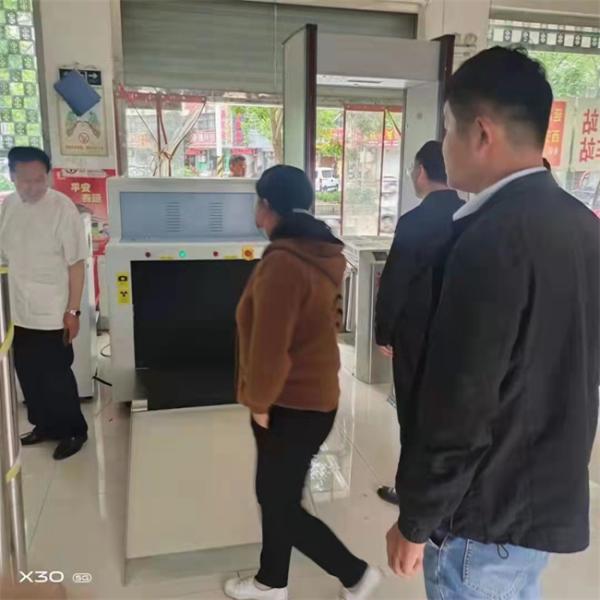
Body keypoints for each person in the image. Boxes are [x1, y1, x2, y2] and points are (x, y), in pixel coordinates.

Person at [386, 46, 599, 599]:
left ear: (481, 133)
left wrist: (416, 518)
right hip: (539, 503)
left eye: (448, 129)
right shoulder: (582, 226)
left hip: (482, 518)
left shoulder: (490, 240)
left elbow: (462, 404)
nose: (443, 146)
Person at [225, 165, 381, 600]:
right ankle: (271, 581)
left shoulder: (283, 264)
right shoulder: (318, 253)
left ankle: (355, 574)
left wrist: (260, 403)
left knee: (276, 501)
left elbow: (270, 345)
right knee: (280, 495)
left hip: (289, 403)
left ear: (267, 206)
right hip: (316, 398)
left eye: (256, 202)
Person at [375, 141, 463, 506]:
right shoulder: (470, 216)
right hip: (460, 332)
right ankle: (447, 487)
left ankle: (410, 490)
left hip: (416, 334)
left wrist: (384, 331)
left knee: (412, 410)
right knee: (449, 409)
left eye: (414, 168)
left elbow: (395, 282)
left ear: (422, 172)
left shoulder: (414, 221)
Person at [0, 147, 88, 460]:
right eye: (26, 180)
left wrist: (73, 310)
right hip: (18, 310)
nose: (34, 186)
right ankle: (45, 425)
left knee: (56, 377)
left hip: (53, 310)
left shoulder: (62, 208)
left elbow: (76, 264)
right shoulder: (9, 206)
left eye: (40, 179)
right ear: (12, 176)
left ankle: (74, 430)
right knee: (28, 373)